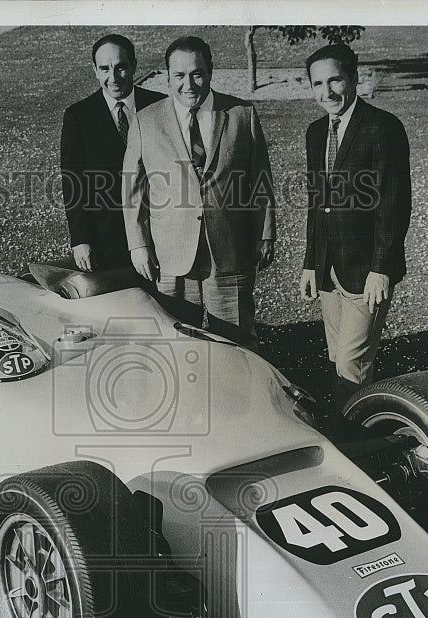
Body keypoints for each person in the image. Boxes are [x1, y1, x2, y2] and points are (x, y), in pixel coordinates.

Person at [123, 36, 275, 349]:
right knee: (177, 344)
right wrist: (139, 244)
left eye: (197, 73)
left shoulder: (241, 115)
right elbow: (133, 189)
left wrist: (266, 234)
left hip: (230, 250)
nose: (188, 84)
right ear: (168, 76)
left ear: (210, 71)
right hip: (170, 255)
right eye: (179, 75)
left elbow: (261, 179)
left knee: (237, 344)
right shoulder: (145, 121)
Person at [299, 43, 411, 433]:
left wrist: (382, 269)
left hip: (366, 271)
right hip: (329, 268)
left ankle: (353, 439)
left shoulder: (383, 128)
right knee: (336, 356)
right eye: (317, 83)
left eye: (335, 80)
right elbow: (317, 204)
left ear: (354, 78)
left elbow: (393, 206)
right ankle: (349, 422)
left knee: (351, 361)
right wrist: (310, 263)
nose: (327, 92)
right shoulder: (316, 132)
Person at [60, 34, 165, 272]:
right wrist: (81, 239)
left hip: (158, 232)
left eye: (121, 67)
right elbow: (72, 182)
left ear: (134, 66)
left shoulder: (160, 106)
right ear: (95, 70)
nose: (113, 77)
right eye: (105, 69)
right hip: (105, 239)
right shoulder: (78, 116)